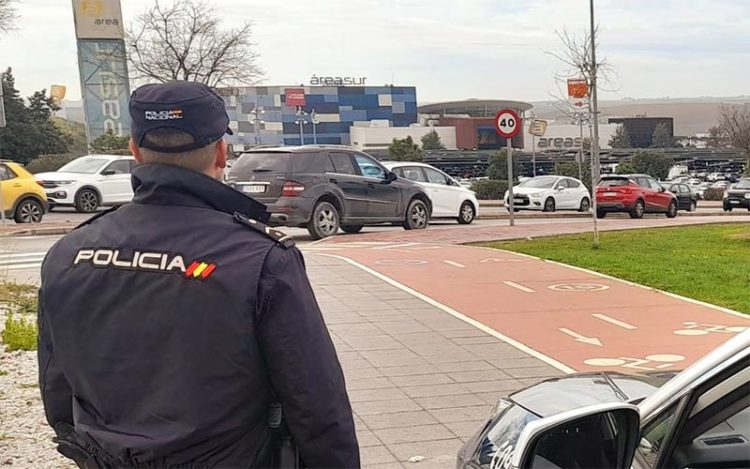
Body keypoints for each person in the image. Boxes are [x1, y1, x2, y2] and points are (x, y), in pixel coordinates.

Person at [38, 81, 360, 468]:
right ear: (222, 152)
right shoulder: (260, 258)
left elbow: (57, 390)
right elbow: (317, 406)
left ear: (135, 150)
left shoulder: (69, 253)